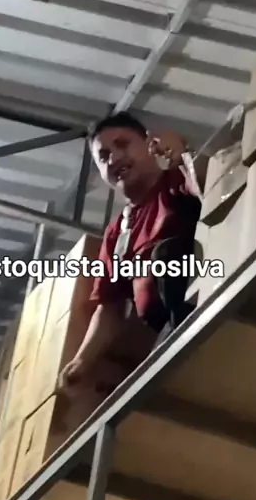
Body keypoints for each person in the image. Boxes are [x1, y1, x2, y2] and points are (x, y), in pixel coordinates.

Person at [59, 111, 210, 394]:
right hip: (166, 328)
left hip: (202, 303)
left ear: (148, 144)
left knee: (166, 254)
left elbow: (214, 189)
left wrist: (182, 154)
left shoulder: (176, 180)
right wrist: (81, 361)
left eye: (122, 144)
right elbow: (110, 307)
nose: (114, 158)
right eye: (104, 156)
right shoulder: (117, 233)